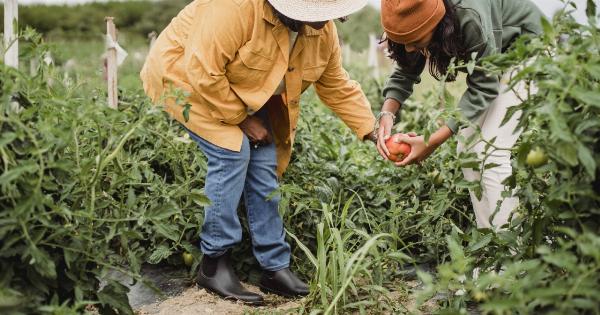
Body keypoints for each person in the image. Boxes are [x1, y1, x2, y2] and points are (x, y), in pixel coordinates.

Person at [140, 0, 377, 304]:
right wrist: (243, 120)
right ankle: (214, 263)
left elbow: (336, 85)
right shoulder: (234, 8)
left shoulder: (322, 31)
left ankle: (274, 267)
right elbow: (202, 70)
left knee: (265, 159)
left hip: (239, 89)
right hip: (186, 80)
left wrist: (372, 130)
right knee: (232, 151)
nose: (325, 20)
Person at [376, 0, 543, 229]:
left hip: (530, 52)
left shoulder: (469, 13)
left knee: (489, 153)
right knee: (466, 149)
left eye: (414, 41)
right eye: (402, 41)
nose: (409, 49)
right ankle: (492, 248)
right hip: (499, 58)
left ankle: (512, 256)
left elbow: (484, 85)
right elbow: (407, 67)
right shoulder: (423, 12)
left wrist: (432, 141)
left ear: (437, 23)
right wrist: (387, 114)